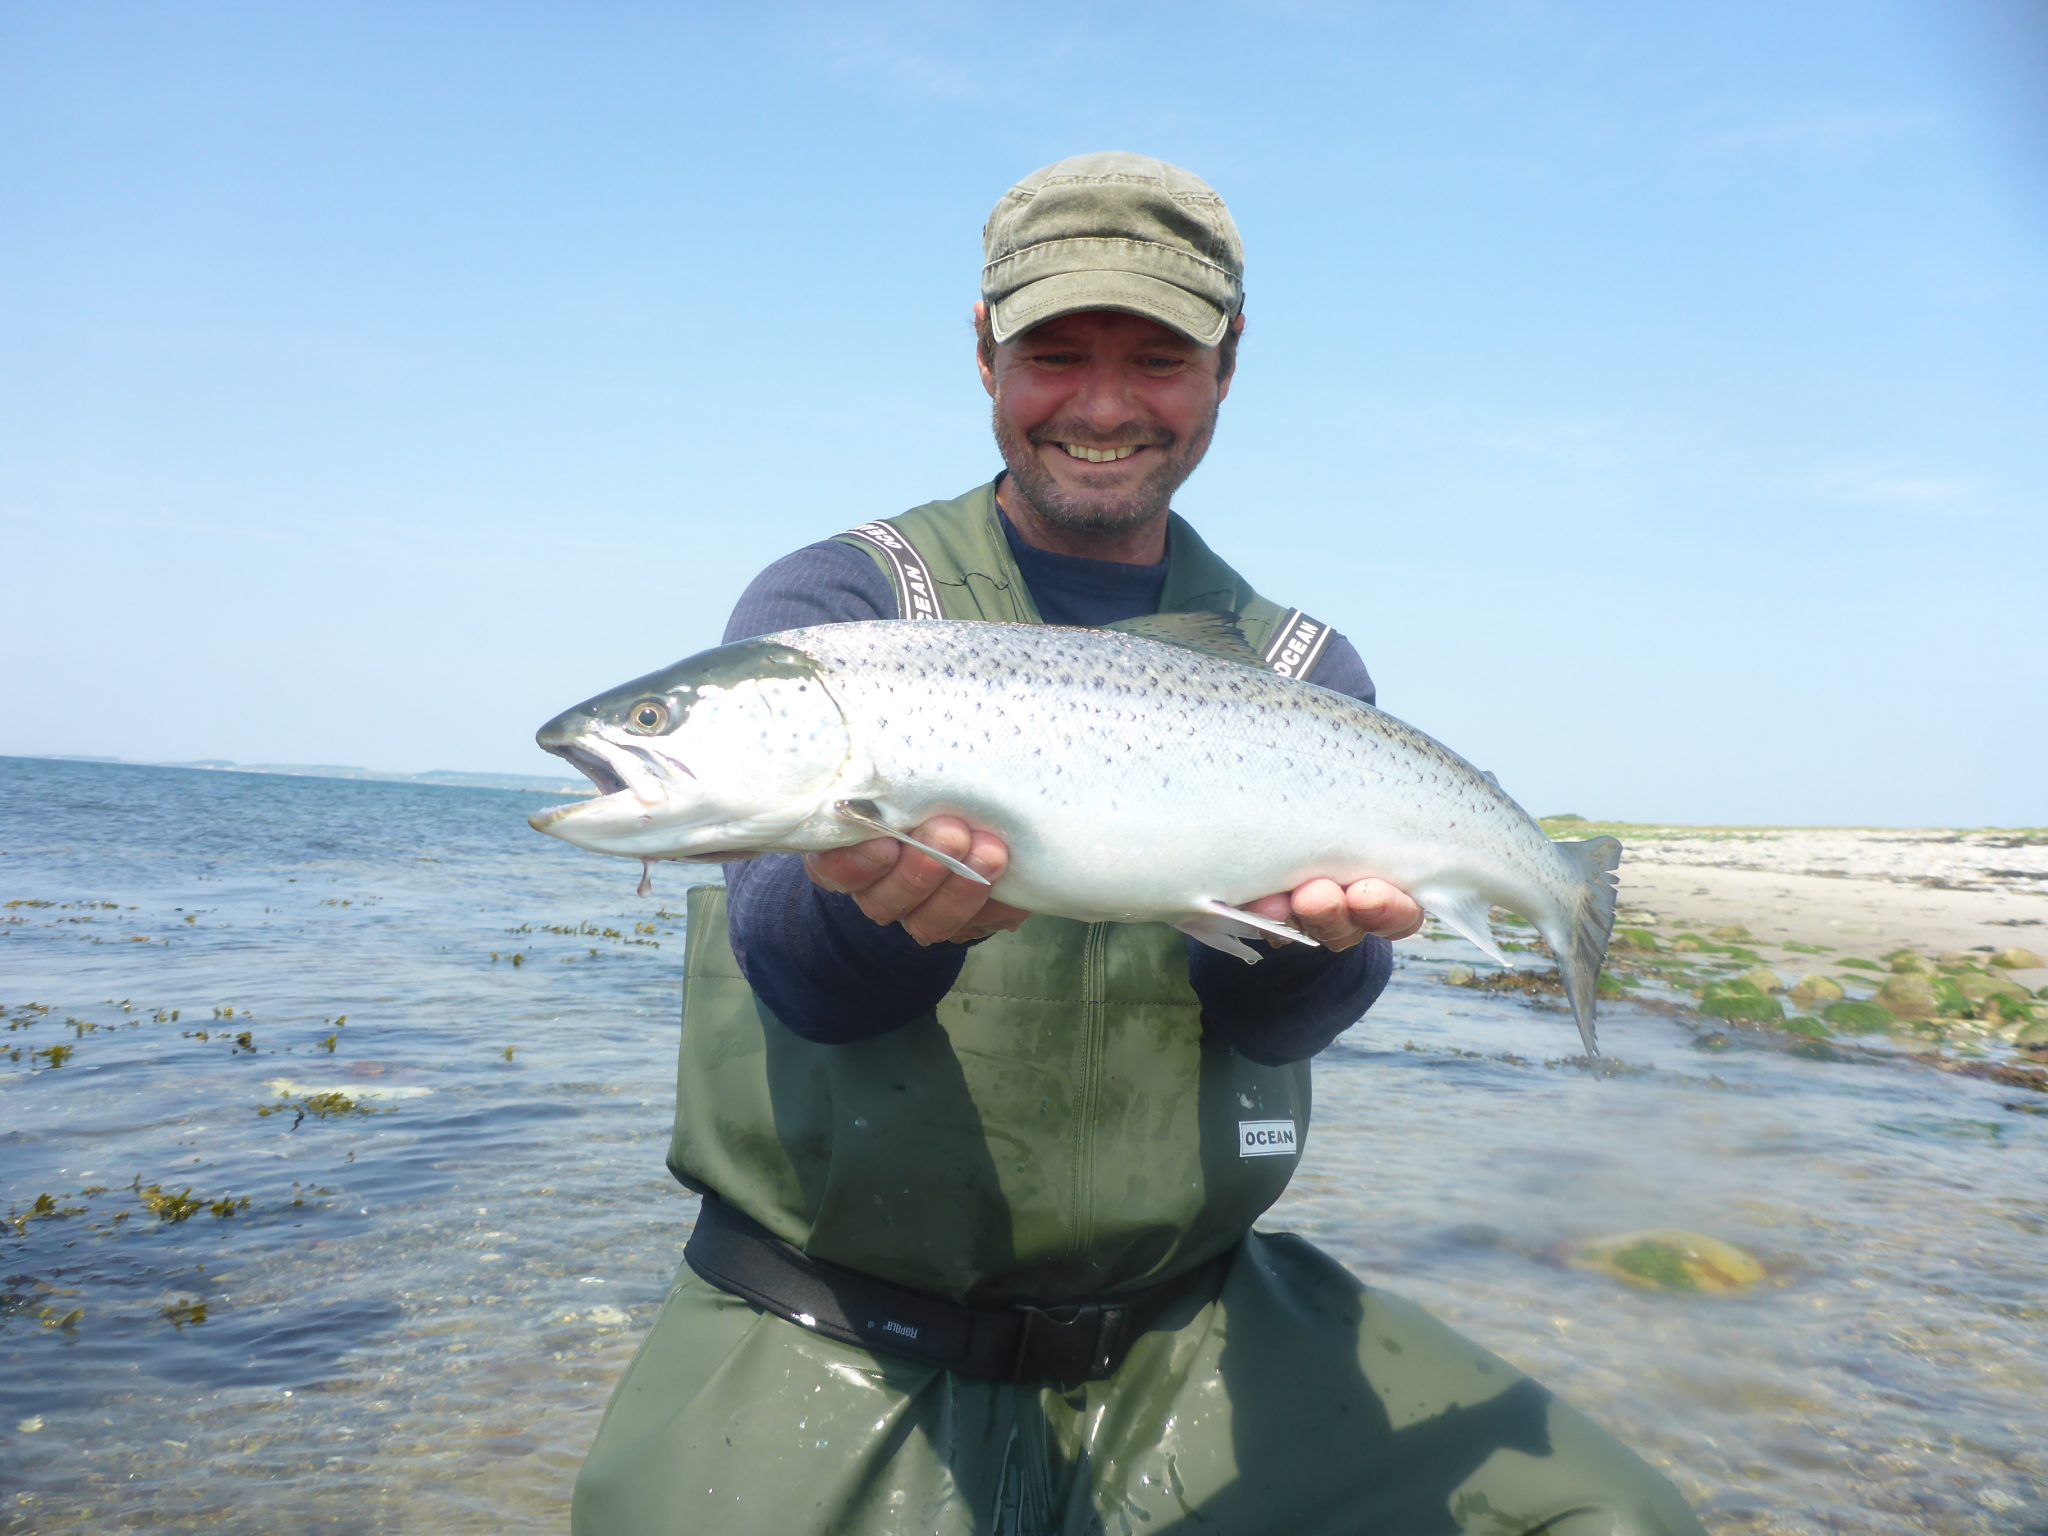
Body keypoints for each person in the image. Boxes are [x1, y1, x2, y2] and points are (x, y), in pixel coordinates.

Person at [571, 152, 1705, 1536]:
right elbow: (794, 974)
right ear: (984, 353)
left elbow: (1285, 1029)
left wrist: (1309, 952)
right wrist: (873, 917)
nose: (1103, 405)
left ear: (1228, 368)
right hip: (832, 1327)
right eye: (1055, 353)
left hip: (1189, 1326)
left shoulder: (1299, 664)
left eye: (1157, 358)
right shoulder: (844, 606)